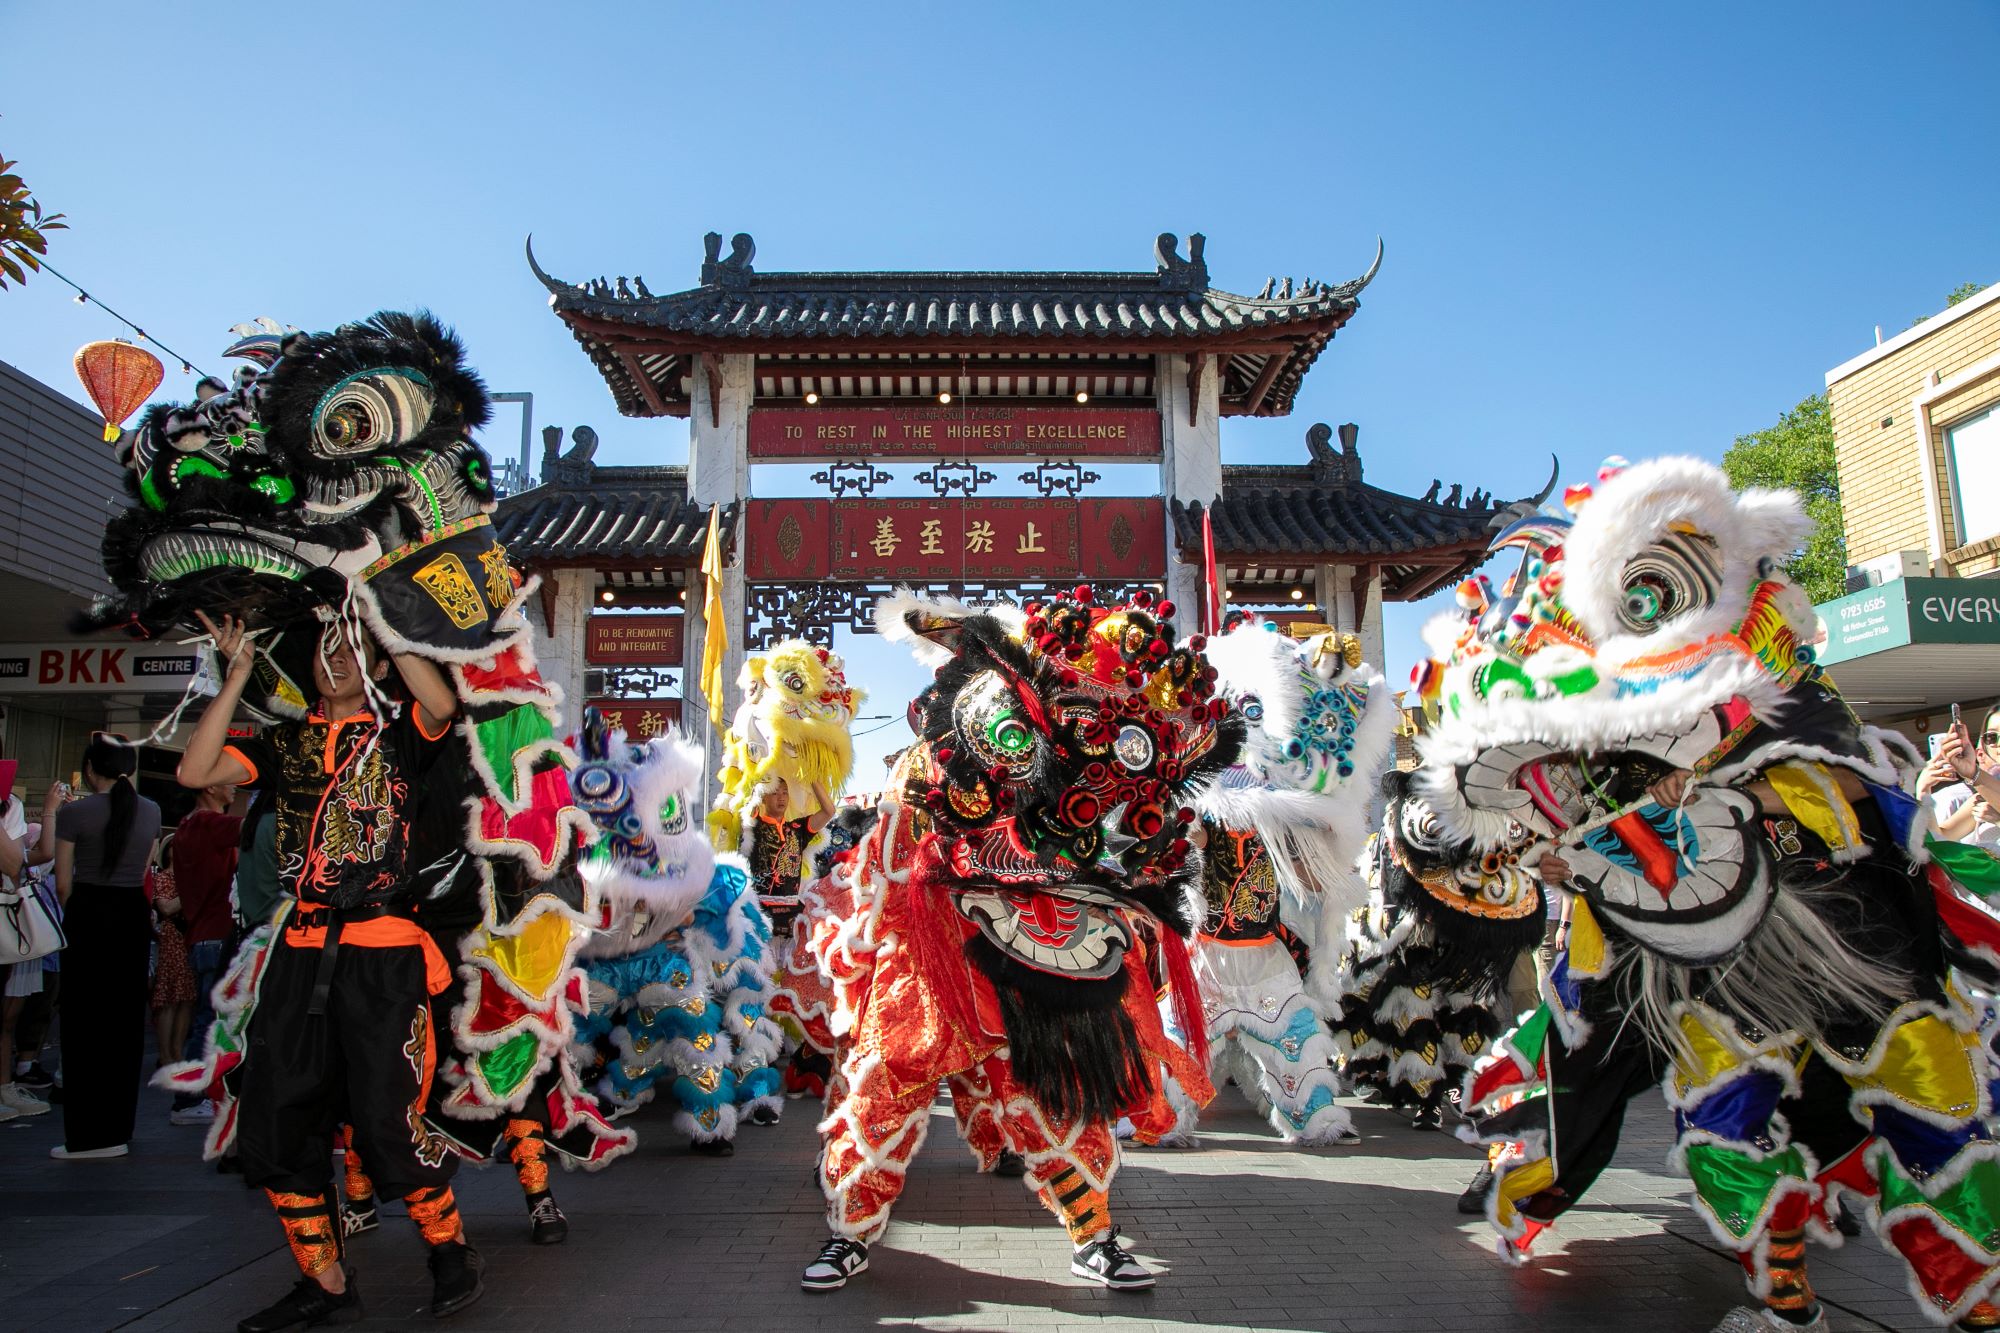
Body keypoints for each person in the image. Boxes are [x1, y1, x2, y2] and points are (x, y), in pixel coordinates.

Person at [177, 611, 480, 1331]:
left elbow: (442, 705)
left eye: (349, 647)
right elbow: (193, 770)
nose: (334, 657)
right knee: (277, 1115)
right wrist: (241, 672)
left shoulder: (400, 734)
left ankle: (449, 1248)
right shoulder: (286, 741)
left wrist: (383, 621)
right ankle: (324, 1276)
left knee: (386, 1119)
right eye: (323, 648)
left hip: (384, 950)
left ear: (377, 665)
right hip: (300, 947)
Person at [50, 733, 163, 1159]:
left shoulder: (75, 813)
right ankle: (118, 1129)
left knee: (83, 1027)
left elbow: (63, 883)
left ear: (91, 769)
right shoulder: (151, 811)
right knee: (124, 1026)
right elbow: (145, 871)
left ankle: (86, 1135)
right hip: (131, 914)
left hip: (89, 913)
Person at [166, 783, 240, 1125]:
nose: (236, 785)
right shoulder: (209, 824)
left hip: (201, 935)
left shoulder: (187, 825)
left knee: (206, 1020)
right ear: (209, 784)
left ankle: (194, 1094)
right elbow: (263, 828)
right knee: (209, 1022)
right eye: (229, 778)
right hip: (217, 935)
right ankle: (189, 1097)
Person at [1, 775, 62, 1120]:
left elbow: (26, 861)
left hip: (8, 923)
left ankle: (5, 1084)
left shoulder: (8, 804)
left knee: (8, 1017)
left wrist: (50, 811)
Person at [145, 841, 198, 1091]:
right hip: (172, 938)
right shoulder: (165, 877)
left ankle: (177, 1052)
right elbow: (166, 907)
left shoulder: (191, 876)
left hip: (190, 938)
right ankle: (166, 1054)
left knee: (186, 998)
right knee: (169, 997)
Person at [1921, 709, 2000, 849]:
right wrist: (1923, 789)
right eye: (1992, 737)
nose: (1998, 743)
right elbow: (1938, 840)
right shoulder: (1982, 797)